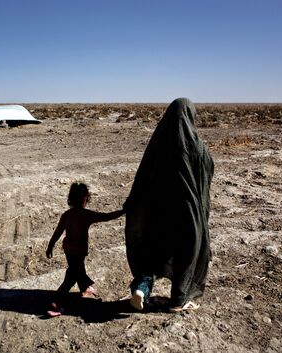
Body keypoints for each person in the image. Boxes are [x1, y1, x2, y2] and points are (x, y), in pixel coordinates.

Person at [124, 98, 214, 313]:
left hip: (156, 211)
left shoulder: (158, 144)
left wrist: (132, 204)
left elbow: (143, 177)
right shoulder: (198, 147)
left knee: (152, 250)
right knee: (187, 252)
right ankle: (179, 299)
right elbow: (207, 172)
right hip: (188, 212)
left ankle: (141, 289)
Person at [46, 182, 125, 316]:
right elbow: (107, 216)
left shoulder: (67, 214)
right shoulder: (87, 215)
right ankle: (56, 304)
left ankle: (85, 288)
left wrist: (50, 246)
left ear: (70, 199)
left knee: (77, 270)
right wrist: (123, 211)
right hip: (78, 251)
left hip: (68, 250)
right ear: (85, 199)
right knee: (71, 277)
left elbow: (58, 232)